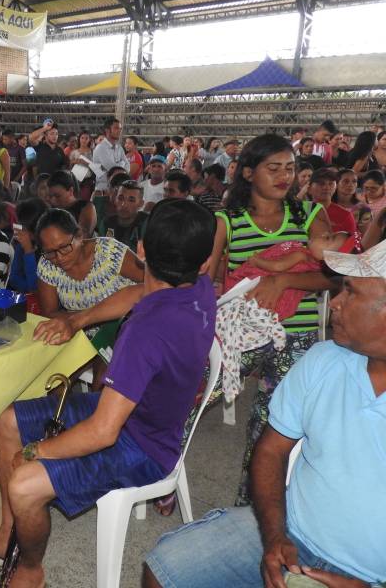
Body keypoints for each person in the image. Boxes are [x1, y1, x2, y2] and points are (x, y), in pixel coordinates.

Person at [0, 199, 217, 586]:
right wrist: (78, 319)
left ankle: (30, 569)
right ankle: (6, 532)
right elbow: (138, 293)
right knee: (9, 418)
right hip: (138, 416)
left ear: (141, 249)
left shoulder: (145, 331)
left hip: (143, 446)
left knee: (24, 483)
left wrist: (36, 452)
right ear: (203, 260)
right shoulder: (199, 287)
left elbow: (103, 433)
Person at [143, 241, 386, 588]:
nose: (335, 302)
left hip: (371, 577)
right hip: (292, 532)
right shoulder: (324, 360)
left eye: (352, 292)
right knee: (164, 569)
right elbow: (271, 450)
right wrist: (274, 537)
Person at [207, 134, 333, 505]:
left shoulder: (310, 215)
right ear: (248, 172)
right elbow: (210, 281)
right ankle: (160, 466)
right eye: (273, 168)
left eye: (290, 169)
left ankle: (253, 502)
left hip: (294, 333)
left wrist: (282, 280)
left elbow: (332, 276)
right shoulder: (226, 220)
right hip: (240, 331)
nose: (284, 177)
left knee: (273, 420)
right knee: (185, 393)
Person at [226, 231, 352, 321]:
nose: (323, 234)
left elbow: (278, 266)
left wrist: (257, 261)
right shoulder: (314, 268)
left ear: (329, 258)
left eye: (328, 239)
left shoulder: (301, 254)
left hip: (260, 284)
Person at [8, 197, 49, 294]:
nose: (19, 229)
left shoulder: (51, 251)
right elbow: (13, 278)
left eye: (22, 226)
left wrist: (28, 251)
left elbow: (35, 288)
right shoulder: (21, 244)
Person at [307, 168, 357, 237]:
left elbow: (351, 244)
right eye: (321, 183)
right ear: (309, 189)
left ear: (336, 187)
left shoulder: (345, 216)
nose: (326, 187)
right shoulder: (300, 212)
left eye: (331, 183)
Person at [47, 170, 97, 237]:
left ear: (71, 191)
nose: (52, 200)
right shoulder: (51, 211)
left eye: (57, 196)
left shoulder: (86, 207)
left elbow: (83, 235)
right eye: (50, 196)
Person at [104, 180, 148, 253]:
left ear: (141, 204)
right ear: (115, 199)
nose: (124, 205)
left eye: (131, 200)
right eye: (120, 198)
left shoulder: (147, 224)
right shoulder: (107, 223)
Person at [91, 118, 129, 192]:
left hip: (117, 188)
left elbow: (128, 165)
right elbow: (113, 169)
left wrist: (120, 165)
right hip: (103, 189)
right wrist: (122, 163)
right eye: (116, 128)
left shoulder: (119, 147)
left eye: (120, 129)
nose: (119, 131)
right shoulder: (100, 148)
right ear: (107, 130)